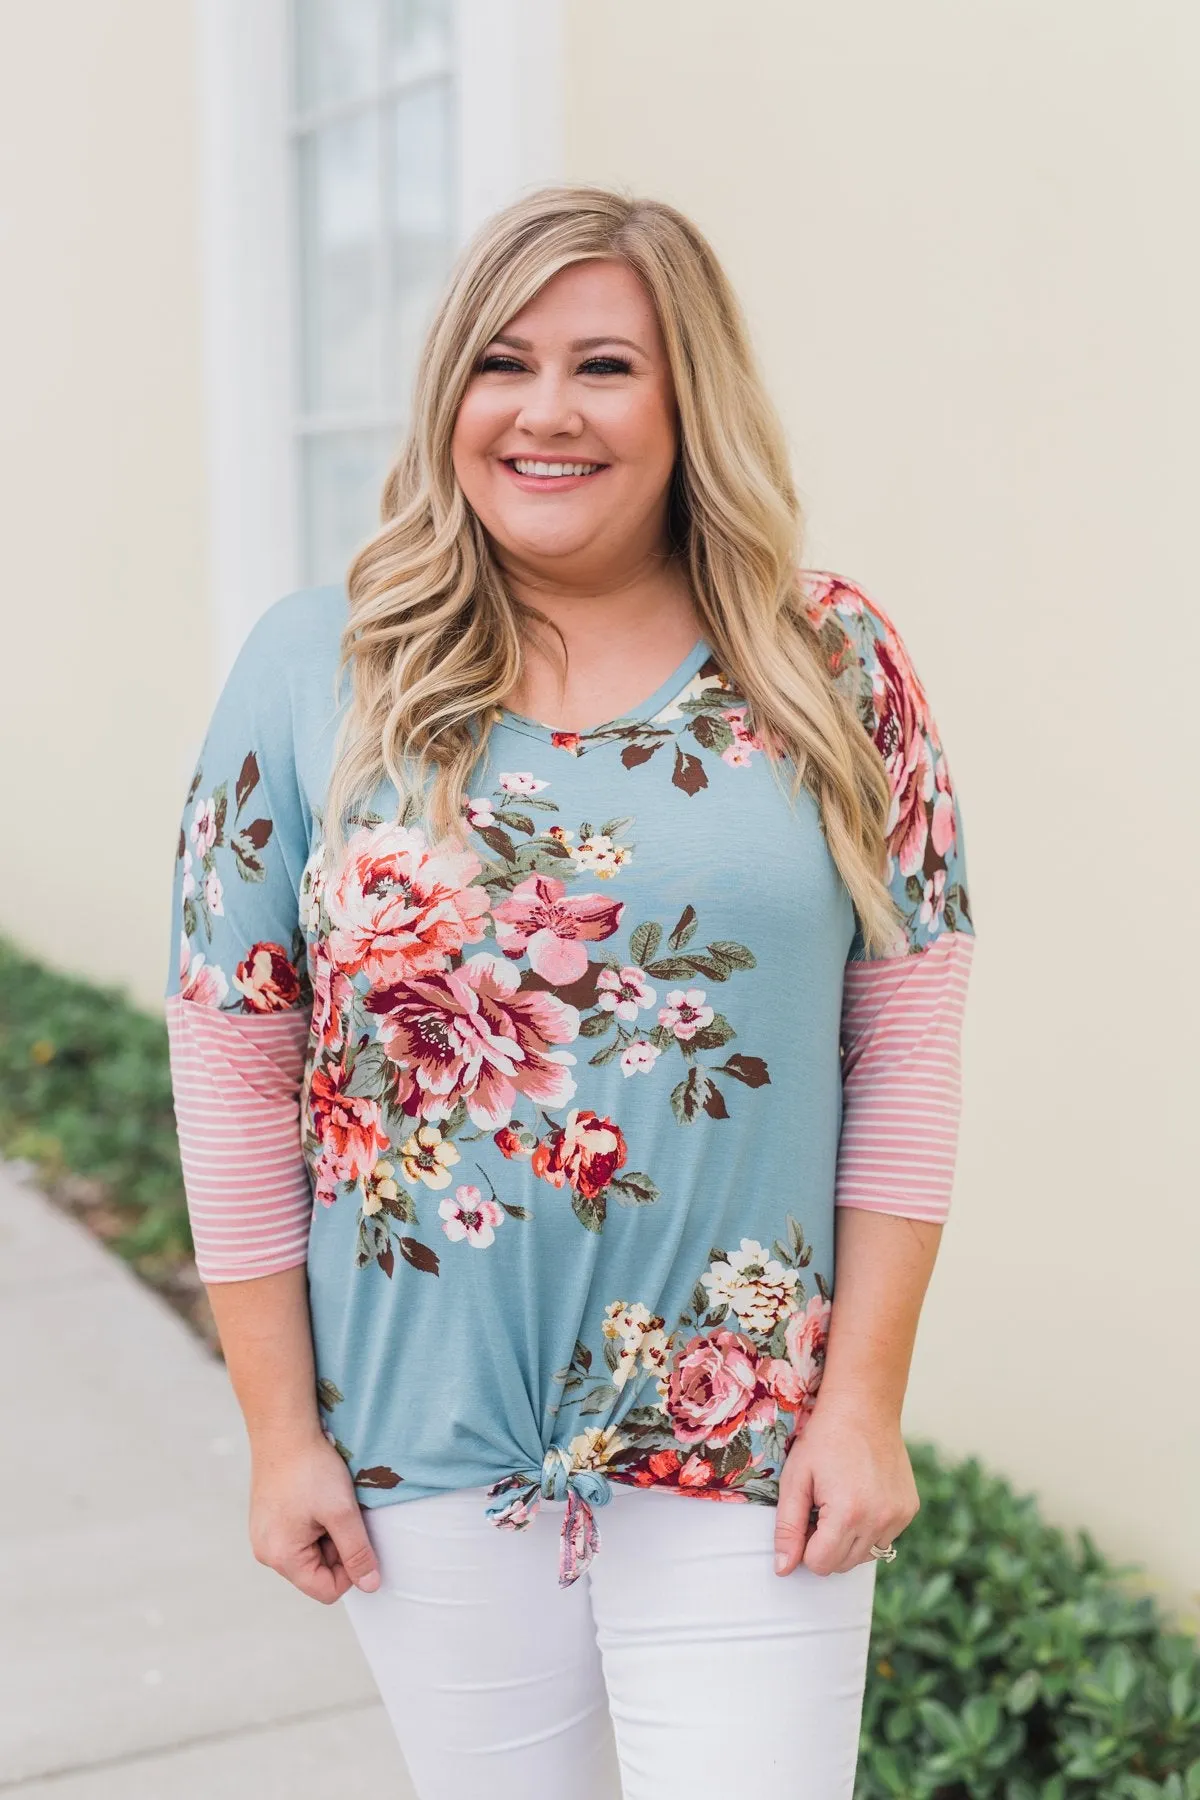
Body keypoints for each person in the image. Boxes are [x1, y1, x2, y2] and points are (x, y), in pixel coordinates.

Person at [164, 184, 974, 1800]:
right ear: (449, 394)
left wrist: (865, 1404)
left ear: (687, 404)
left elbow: (907, 1042)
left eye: (605, 366)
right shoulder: (318, 664)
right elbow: (234, 1050)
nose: (545, 411)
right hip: (422, 1438)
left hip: (750, 1437)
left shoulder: (830, 662)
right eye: (502, 362)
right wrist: (279, 1438)